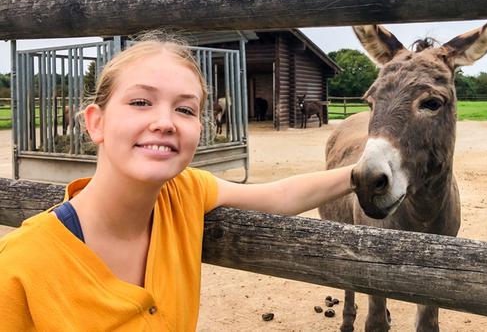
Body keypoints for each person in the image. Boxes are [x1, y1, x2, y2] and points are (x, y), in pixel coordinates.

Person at [0, 34, 353, 331]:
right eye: (140, 102)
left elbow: (280, 195)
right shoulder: (19, 268)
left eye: (185, 109)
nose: (165, 122)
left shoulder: (184, 193)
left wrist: (359, 173)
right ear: (96, 123)